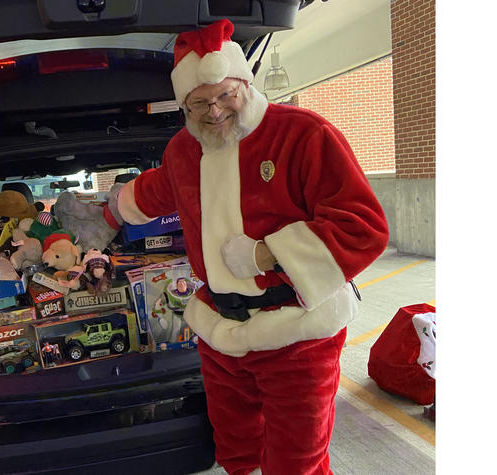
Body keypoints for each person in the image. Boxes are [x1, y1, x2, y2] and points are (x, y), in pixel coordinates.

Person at [117, 20, 389, 475]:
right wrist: (100, 212)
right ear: (183, 105)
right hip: (220, 333)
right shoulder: (183, 150)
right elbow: (155, 190)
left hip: (297, 333)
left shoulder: (303, 133)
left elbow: (363, 226)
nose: (215, 111)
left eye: (225, 95)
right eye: (199, 102)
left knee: (296, 463)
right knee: (237, 454)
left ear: (245, 81)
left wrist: (267, 254)